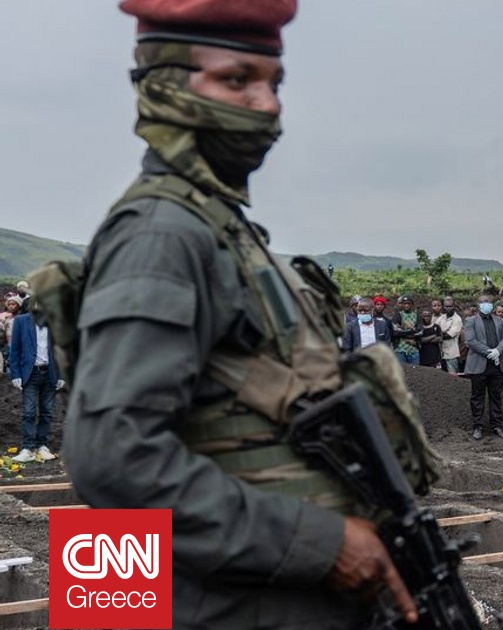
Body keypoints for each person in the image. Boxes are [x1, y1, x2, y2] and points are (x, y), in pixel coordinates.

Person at [61, 3, 425, 625]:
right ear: (166, 86)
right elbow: (113, 458)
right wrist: (322, 544)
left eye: (274, 83)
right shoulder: (161, 235)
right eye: (238, 80)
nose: (268, 104)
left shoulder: (223, 229)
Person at [8, 312, 63, 463]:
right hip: (30, 373)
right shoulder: (21, 321)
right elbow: (15, 348)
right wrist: (15, 374)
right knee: (29, 412)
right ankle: (28, 448)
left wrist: (62, 375)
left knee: (47, 412)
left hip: (50, 372)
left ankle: (42, 446)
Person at [463, 295, 503, 440]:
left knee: (496, 396)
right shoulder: (470, 321)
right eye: (483, 302)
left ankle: (497, 426)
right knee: (477, 397)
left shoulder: (500, 321)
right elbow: (471, 341)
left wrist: (498, 350)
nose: (486, 304)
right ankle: (478, 426)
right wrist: (488, 351)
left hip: (496, 365)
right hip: (479, 364)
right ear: (478, 305)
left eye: (488, 302)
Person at [435, 297, 464, 373]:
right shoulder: (441, 318)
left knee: (452, 377)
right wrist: (440, 333)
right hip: (441, 353)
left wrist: (438, 334)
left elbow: (448, 335)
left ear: (454, 306)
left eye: (450, 306)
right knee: (441, 376)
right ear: (443, 307)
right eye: (446, 306)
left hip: (452, 354)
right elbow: (433, 330)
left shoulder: (457, 319)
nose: (448, 308)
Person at [391, 295, 420, 365]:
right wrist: (411, 331)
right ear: (402, 304)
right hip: (400, 350)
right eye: (404, 303)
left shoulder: (417, 316)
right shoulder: (397, 316)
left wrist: (402, 330)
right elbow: (395, 332)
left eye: (408, 303)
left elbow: (420, 332)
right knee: (401, 372)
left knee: (415, 372)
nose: (406, 305)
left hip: (413, 349)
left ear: (412, 305)